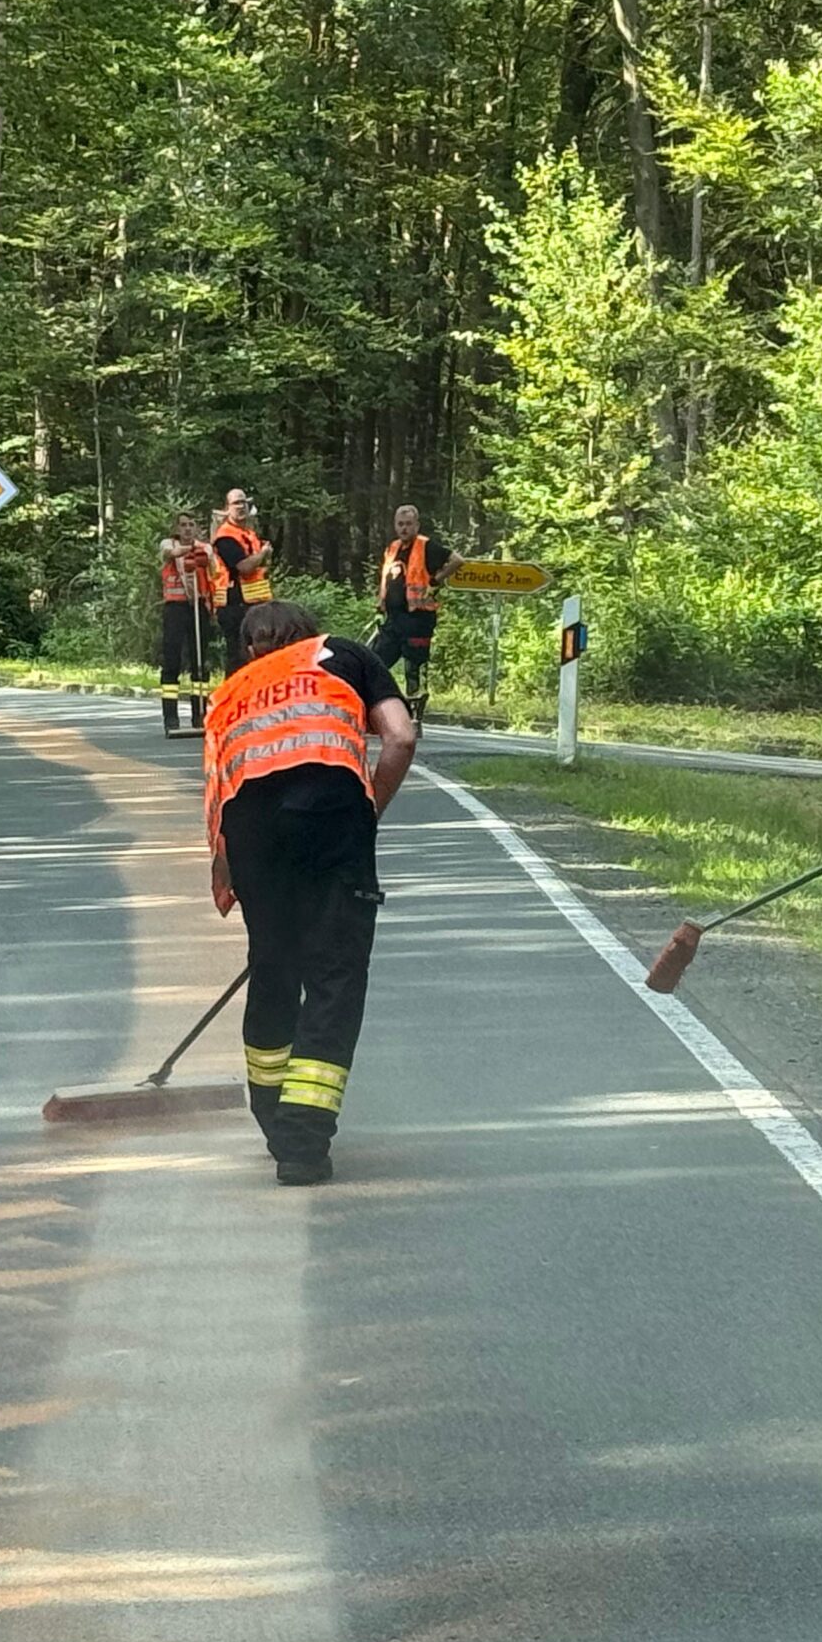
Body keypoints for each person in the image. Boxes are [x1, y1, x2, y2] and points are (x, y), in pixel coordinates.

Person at [205, 600, 417, 1186]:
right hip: (331, 821)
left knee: (273, 967)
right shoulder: (345, 654)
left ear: (251, 648)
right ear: (309, 632)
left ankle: (274, 1120)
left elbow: (219, 787)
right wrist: (366, 810)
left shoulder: (231, 692)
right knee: (334, 973)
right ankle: (302, 1144)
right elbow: (399, 738)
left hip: (251, 836)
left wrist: (224, 869)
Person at [368, 504, 460, 719]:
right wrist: (381, 603)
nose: (404, 528)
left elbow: (457, 560)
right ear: (395, 525)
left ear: (417, 525)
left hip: (418, 620)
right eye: (400, 524)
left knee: (414, 668)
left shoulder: (427, 546)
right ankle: (379, 708)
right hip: (393, 619)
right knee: (375, 662)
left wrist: (436, 580)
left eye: (409, 524)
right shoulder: (393, 548)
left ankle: (414, 716)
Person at [156, 512, 218, 736]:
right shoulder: (169, 544)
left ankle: (199, 714)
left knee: (199, 661)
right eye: (183, 525)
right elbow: (169, 553)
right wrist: (190, 551)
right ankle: (170, 717)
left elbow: (215, 571)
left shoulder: (205, 548)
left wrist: (206, 556)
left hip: (198, 608)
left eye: (191, 525)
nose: (187, 529)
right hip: (175, 609)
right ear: (176, 528)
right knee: (172, 661)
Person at [209, 487, 274, 675]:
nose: (241, 506)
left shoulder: (249, 533)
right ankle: (232, 700)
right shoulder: (225, 537)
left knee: (254, 657)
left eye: (243, 502)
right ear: (227, 508)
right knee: (238, 658)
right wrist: (263, 553)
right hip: (234, 605)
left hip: (253, 602)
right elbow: (244, 568)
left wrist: (264, 558)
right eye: (236, 503)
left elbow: (259, 568)